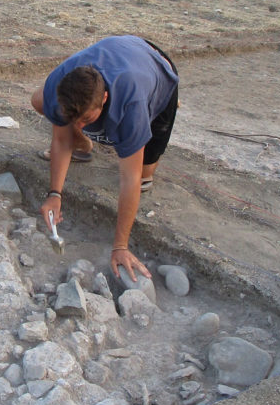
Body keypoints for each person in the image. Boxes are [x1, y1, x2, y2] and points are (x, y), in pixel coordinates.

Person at [32, 35, 179, 280]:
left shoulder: (131, 104)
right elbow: (61, 140)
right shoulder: (58, 87)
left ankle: (149, 115)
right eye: (75, 120)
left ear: (104, 99)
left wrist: (120, 246)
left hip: (156, 68)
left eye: (86, 119)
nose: (79, 125)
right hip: (118, 52)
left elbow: (129, 180)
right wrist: (54, 194)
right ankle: (83, 146)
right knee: (40, 101)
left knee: (144, 176)